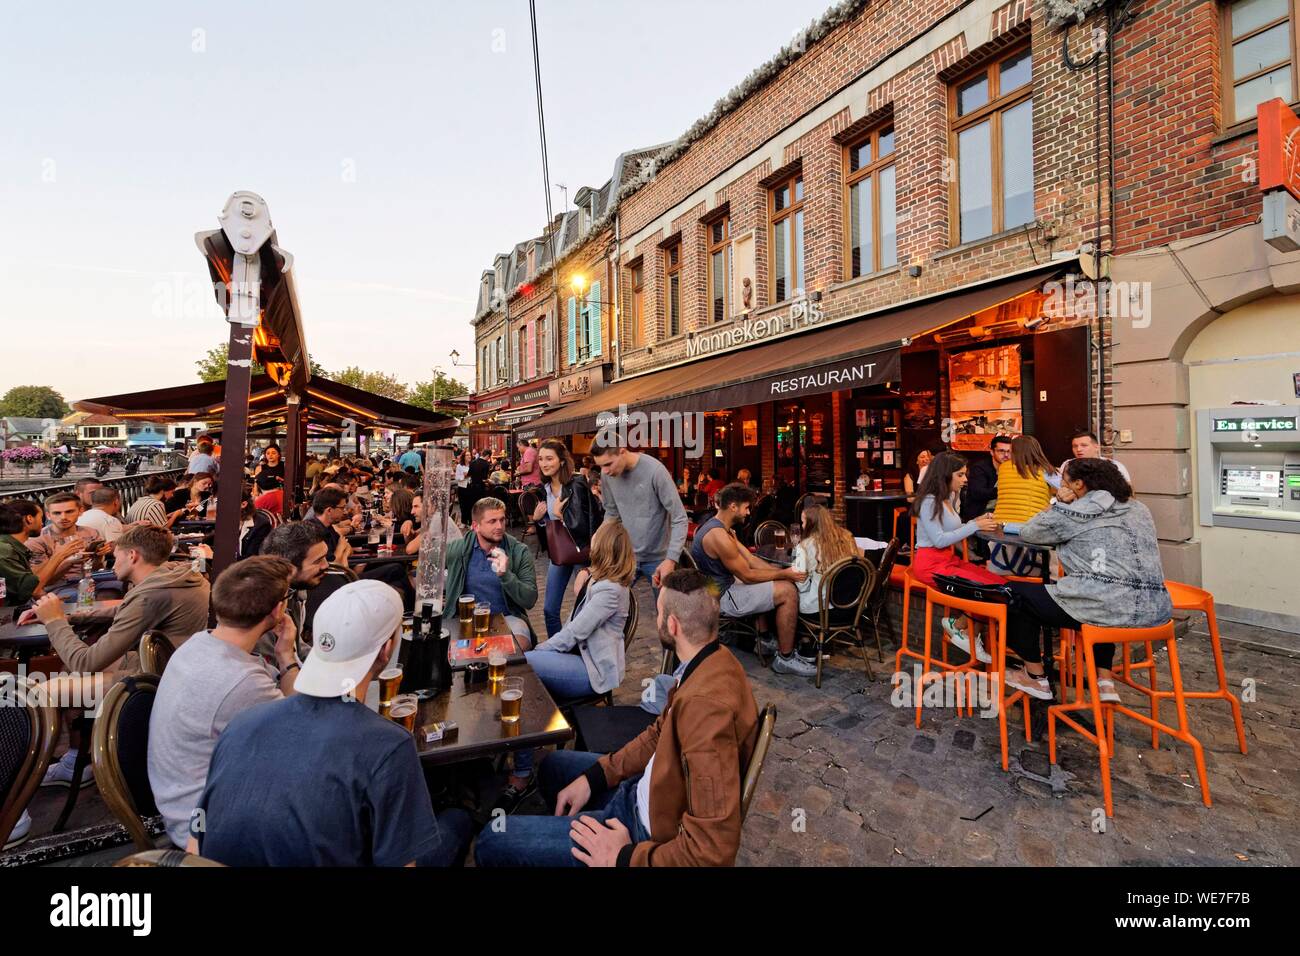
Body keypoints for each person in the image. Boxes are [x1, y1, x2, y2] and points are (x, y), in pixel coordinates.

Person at [475, 568, 759, 867]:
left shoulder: (706, 710)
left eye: (659, 613)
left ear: (672, 626)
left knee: (491, 840)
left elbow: (713, 851)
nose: (657, 619)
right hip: (645, 790)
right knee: (553, 768)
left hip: (641, 831)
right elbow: (657, 736)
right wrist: (597, 776)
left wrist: (623, 857)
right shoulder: (710, 661)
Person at [188, 581, 471, 866]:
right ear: (386, 650)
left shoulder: (240, 725)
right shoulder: (389, 745)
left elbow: (196, 842)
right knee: (457, 821)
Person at [30, 524, 210, 787]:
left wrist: (55, 622)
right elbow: (127, 611)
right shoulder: (176, 577)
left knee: (38, 695)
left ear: (133, 556)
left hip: (156, 680)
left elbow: (85, 662)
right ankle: (77, 760)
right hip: (171, 665)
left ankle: (16, 802)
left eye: (116, 556)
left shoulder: (152, 594)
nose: (113, 565)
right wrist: (69, 615)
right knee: (69, 670)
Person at [148, 556, 301, 847]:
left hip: (182, 804)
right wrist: (286, 656)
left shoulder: (198, 643)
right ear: (278, 609)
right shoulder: (242, 681)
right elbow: (302, 731)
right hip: (207, 830)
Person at [1000, 458, 1171, 702]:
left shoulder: (1076, 510)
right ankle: (1104, 680)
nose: (1061, 483)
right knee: (1101, 598)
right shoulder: (1139, 508)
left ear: (1078, 484)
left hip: (1107, 607)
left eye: (1065, 480)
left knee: (1012, 593)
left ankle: (1035, 677)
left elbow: (1030, 531)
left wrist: (1059, 502)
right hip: (1155, 609)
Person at [495, 522, 635, 813]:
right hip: (578, 659)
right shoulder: (599, 580)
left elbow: (574, 633)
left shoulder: (610, 590)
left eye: (593, 540)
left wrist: (538, 651)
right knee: (525, 672)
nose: (588, 544)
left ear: (604, 548)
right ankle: (529, 742)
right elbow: (572, 628)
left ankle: (523, 768)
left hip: (591, 670)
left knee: (523, 664)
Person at [693, 482, 814, 677]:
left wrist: (780, 571)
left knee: (773, 579)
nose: (749, 513)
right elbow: (747, 575)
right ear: (733, 506)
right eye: (746, 507)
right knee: (788, 592)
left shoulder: (723, 529)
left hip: (722, 587)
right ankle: (785, 658)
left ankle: (765, 639)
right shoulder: (718, 536)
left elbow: (750, 559)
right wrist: (785, 575)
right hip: (721, 596)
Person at [910, 451, 1002, 664]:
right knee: (987, 589)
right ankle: (962, 629)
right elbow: (940, 540)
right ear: (945, 475)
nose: (965, 479)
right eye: (960, 475)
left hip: (946, 559)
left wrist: (976, 521)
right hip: (930, 564)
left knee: (996, 583)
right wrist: (973, 526)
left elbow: (954, 528)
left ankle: (965, 629)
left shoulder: (949, 496)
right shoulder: (929, 501)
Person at [590, 438, 688, 596]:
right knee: (611, 607)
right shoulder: (606, 474)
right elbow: (612, 513)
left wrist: (671, 559)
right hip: (625, 555)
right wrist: (600, 534)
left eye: (608, 464)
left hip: (659, 558)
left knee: (666, 613)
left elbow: (680, 518)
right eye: (601, 466)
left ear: (622, 451)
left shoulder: (655, 471)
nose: (605, 471)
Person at [443, 497, 536, 645]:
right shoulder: (459, 550)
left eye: (502, 520)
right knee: (448, 652)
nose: (499, 526)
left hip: (507, 618)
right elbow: (432, 562)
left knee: (520, 644)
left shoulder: (519, 551)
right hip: (466, 620)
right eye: (492, 521)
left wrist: (506, 575)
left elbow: (530, 599)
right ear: (476, 526)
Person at [532, 439, 602, 637]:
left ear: (562, 461)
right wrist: (539, 520)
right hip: (561, 553)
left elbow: (590, 522)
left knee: (586, 608)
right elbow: (548, 531)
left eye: (549, 459)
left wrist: (562, 515)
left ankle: (583, 648)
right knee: (549, 610)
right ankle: (557, 648)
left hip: (582, 553)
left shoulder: (577, 484)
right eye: (541, 459)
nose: (544, 463)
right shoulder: (543, 489)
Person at [991, 435, 1060, 576]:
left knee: (1007, 568)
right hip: (1031, 529)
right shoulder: (1047, 471)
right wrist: (1052, 502)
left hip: (1001, 529)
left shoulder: (1003, 469)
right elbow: (1067, 493)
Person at [260, 521, 332, 651]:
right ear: (289, 568)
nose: (325, 565)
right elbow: (273, 668)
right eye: (318, 561)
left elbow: (297, 648)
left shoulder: (294, 593)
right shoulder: (264, 613)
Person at [0, 501, 84, 606]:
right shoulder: (5, 551)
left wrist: (48, 600)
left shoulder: (12, 547)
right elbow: (32, 588)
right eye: (41, 517)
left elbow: (32, 581)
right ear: (29, 519)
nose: (42, 523)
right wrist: (59, 555)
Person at [26, 493, 103, 591]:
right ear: (48, 515)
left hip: (90, 581)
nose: (63, 517)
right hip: (57, 587)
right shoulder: (37, 540)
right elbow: (40, 582)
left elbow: (96, 569)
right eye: (57, 513)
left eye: (69, 512)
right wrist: (68, 562)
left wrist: (98, 557)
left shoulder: (91, 532)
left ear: (80, 511)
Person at [792, 504, 858, 616]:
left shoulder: (803, 547)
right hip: (853, 605)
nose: (802, 526)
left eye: (803, 522)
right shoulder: (848, 538)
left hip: (821, 609)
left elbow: (802, 586)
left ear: (810, 524)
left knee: (789, 595)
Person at [960, 435, 1011, 522]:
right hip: (979, 516)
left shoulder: (1011, 469)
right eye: (1001, 451)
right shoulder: (980, 468)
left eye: (1009, 451)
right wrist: (1005, 491)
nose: (1006, 455)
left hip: (1002, 515)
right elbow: (978, 493)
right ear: (992, 452)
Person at [304, 486, 354, 565]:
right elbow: (329, 566)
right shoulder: (312, 532)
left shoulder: (328, 526)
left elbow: (349, 549)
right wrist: (340, 548)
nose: (344, 512)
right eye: (342, 508)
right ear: (329, 510)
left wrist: (343, 557)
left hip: (344, 571)